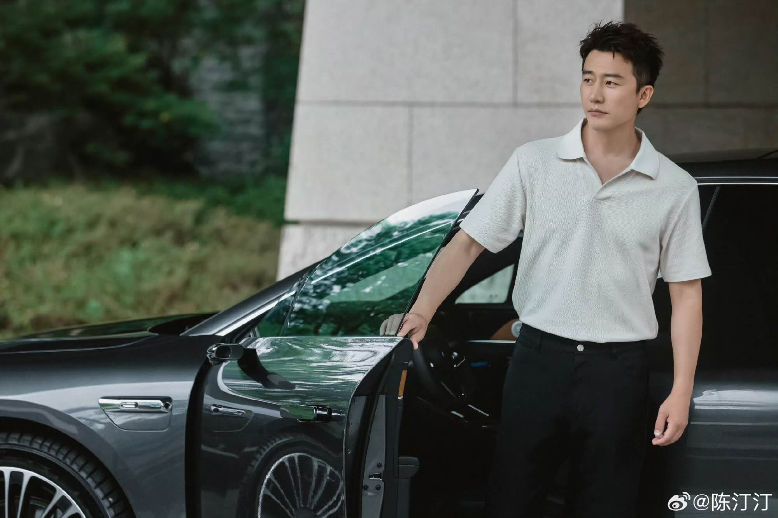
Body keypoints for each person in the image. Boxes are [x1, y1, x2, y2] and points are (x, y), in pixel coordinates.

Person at [381, 20, 711, 518]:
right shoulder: (533, 163)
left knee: (606, 507)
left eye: (612, 82)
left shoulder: (674, 187)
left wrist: (681, 391)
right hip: (538, 362)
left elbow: (686, 295)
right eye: (588, 78)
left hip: (618, 373)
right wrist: (423, 311)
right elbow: (468, 245)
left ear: (643, 95)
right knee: (511, 502)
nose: (594, 94)